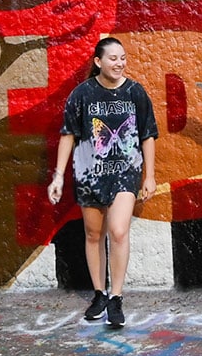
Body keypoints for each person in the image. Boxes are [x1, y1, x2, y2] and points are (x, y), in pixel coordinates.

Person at [48, 37, 158, 328]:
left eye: (122, 57)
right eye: (113, 58)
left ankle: (116, 298)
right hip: (89, 173)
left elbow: (148, 134)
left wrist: (149, 174)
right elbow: (68, 134)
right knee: (93, 234)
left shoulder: (135, 92)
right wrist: (58, 175)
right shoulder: (81, 94)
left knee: (118, 231)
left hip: (126, 171)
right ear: (98, 62)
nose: (119, 63)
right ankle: (99, 293)